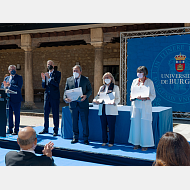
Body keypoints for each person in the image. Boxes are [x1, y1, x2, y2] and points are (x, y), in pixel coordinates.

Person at [128, 66, 156, 151]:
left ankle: (145, 144)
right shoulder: (134, 81)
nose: (139, 73)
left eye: (141, 72)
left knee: (145, 125)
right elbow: (131, 93)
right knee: (135, 124)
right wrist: (131, 97)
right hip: (136, 105)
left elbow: (153, 95)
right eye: (138, 72)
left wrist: (146, 98)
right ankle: (136, 143)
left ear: (145, 73)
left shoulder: (149, 82)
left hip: (145, 105)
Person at [63, 65, 92, 145]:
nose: (75, 72)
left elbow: (90, 90)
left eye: (77, 70)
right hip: (73, 105)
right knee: (74, 122)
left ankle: (85, 138)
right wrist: (65, 98)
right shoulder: (69, 80)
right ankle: (75, 137)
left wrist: (86, 96)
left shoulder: (85, 79)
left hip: (83, 105)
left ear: (80, 71)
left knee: (84, 122)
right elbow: (66, 91)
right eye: (74, 71)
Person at [93, 72, 120, 147]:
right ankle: (104, 140)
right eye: (105, 78)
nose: (106, 79)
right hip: (103, 108)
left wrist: (114, 102)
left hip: (111, 108)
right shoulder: (102, 88)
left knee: (111, 127)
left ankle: (111, 141)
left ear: (111, 78)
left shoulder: (115, 87)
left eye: (108, 77)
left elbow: (118, 99)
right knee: (103, 126)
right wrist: (95, 100)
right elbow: (98, 96)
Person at [39, 60, 61, 136]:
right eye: (48, 64)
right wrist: (43, 79)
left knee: (55, 113)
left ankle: (55, 130)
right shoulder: (46, 74)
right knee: (46, 113)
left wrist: (50, 78)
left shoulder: (58, 73)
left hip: (54, 96)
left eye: (50, 64)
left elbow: (56, 84)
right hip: (47, 96)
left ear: (53, 65)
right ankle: (45, 128)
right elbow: (43, 86)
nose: (49, 65)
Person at [2, 65, 23, 135]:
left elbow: (19, 87)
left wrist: (10, 86)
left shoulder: (19, 77)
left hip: (16, 99)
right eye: (11, 69)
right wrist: (4, 87)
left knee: (16, 115)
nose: (13, 70)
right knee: (9, 115)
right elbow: (3, 86)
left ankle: (16, 129)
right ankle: (10, 128)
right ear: (9, 71)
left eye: (14, 69)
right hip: (8, 99)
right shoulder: (6, 78)